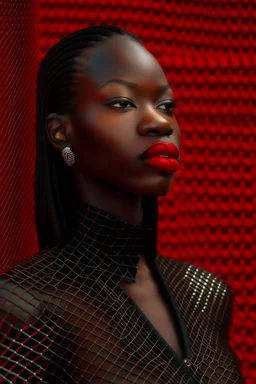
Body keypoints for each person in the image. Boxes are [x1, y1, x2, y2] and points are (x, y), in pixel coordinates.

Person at [0, 25, 244, 384]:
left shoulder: (205, 292)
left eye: (166, 106)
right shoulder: (26, 304)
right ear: (60, 132)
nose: (160, 122)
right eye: (122, 103)